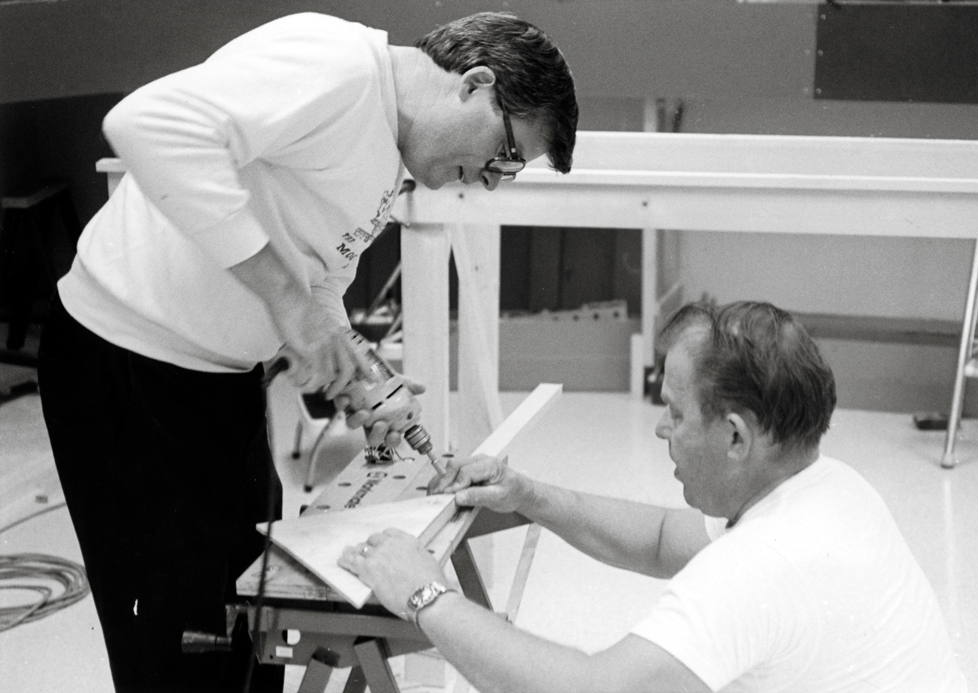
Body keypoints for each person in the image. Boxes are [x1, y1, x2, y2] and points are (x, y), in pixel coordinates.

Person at [37, 11, 577, 693]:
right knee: (175, 644)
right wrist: (289, 305)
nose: (491, 178)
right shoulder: (337, 67)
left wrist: (360, 371)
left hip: (216, 387)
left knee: (242, 618)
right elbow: (145, 123)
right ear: (474, 84)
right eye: (504, 154)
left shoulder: (386, 153)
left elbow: (318, 281)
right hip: (125, 370)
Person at [341, 300, 968, 693]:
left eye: (674, 412)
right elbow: (669, 538)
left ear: (735, 436)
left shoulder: (761, 568)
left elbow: (590, 690)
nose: (661, 429)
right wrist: (528, 496)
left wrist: (426, 596)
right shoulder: (830, 486)